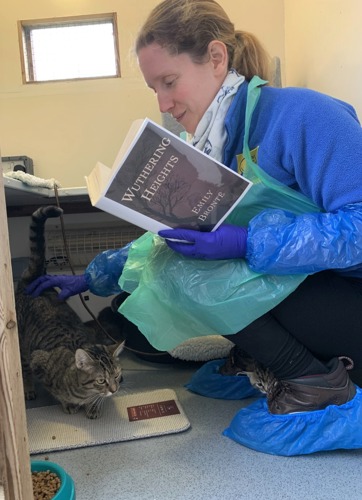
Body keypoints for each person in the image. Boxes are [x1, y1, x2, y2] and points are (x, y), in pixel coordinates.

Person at [27, 0, 362, 453]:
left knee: (191, 274)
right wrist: (93, 274)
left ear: (217, 58)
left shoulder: (303, 116)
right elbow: (163, 241)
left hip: (350, 300)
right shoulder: (212, 143)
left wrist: (245, 241)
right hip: (313, 293)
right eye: (153, 88)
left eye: (169, 82)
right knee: (172, 263)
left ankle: (315, 380)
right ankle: (269, 358)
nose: (163, 103)